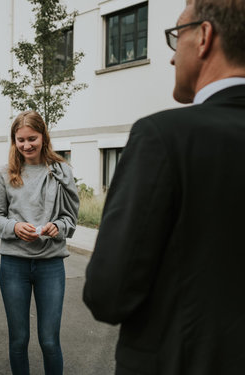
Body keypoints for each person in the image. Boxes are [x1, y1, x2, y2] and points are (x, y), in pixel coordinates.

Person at [83, 0, 245, 374]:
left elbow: (108, 294)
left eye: (177, 36)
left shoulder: (162, 137)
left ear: (204, 36)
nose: (171, 58)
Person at [0, 110, 79, 375]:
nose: (27, 145)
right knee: (18, 340)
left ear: (43, 137)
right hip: (13, 265)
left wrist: (57, 227)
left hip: (50, 265)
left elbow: (70, 218)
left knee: (50, 341)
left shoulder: (61, 172)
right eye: (20, 139)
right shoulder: (6, 173)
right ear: (14, 141)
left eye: (32, 138)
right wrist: (15, 227)